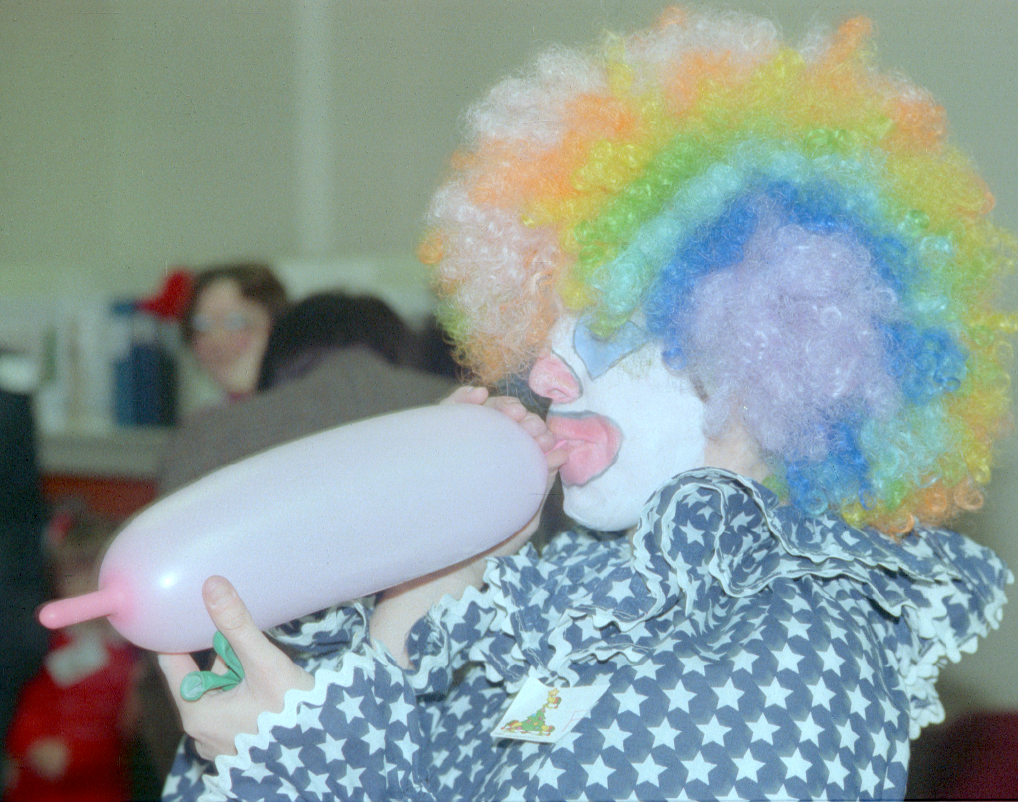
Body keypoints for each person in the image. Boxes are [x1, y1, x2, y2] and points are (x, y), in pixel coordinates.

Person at [160, 9, 1013, 800]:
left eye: (603, 335)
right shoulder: (561, 586)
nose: (547, 380)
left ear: (768, 350)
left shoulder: (798, 655)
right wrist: (414, 600)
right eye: (545, 343)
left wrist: (311, 766)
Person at [181, 263, 289, 401]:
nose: (217, 340)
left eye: (235, 323)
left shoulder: (305, 406)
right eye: (201, 325)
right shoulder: (213, 414)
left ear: (276, 328)